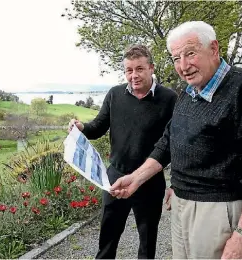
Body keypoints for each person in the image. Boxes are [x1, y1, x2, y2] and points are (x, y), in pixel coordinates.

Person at [110, 21, 242, 259]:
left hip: (217, 210)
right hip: (180, 204)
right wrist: (136, 179)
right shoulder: (190, 92)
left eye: (190, 53)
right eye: (175, 58)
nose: (183, 66)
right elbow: (169, 141)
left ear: (213, 48)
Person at [68, 44, 177, 259]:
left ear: (151, 68)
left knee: (147, 244)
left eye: (139, 69)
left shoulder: (169, 98)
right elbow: (97, 127)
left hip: (150, 180)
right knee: (107, 239)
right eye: (129, 70)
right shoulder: (115, 94)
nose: (133, 75)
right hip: (115, 178)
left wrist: (175, 182)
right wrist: (82, 128)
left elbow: (175, 143)